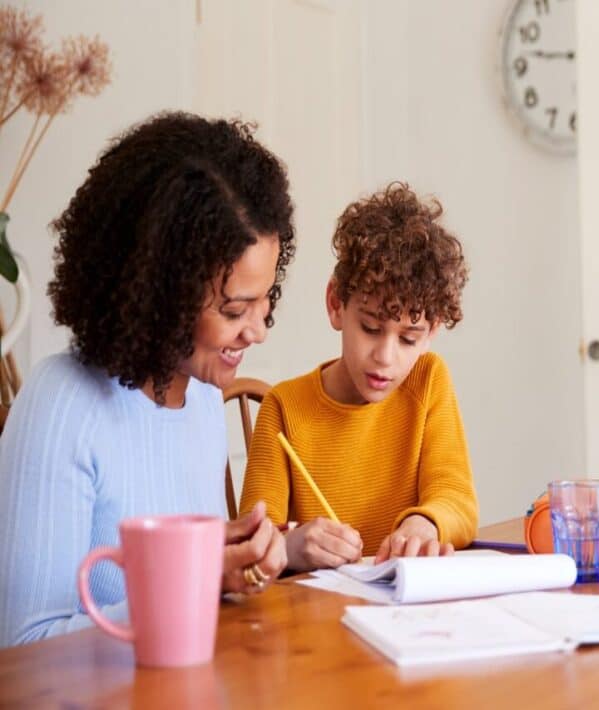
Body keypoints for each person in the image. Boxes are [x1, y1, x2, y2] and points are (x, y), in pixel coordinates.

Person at [0, 113, 296, 646]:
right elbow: (22, 649)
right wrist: (194, 583)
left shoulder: (202, 400)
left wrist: (236, 560)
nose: (258, 331)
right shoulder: (61, 407)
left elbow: (191, 602)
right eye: (234, 309)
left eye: (265, 300)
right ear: (160, 294)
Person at [239, 182, 478, 571]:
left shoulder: (429, 380)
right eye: (369, 328)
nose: (385, 357)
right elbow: (251, 544)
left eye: (408, 338)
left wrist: (425, 523)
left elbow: (457, 500)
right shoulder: (284, 408)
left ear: (431, 332)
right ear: (336, 305)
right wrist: (292, 546)